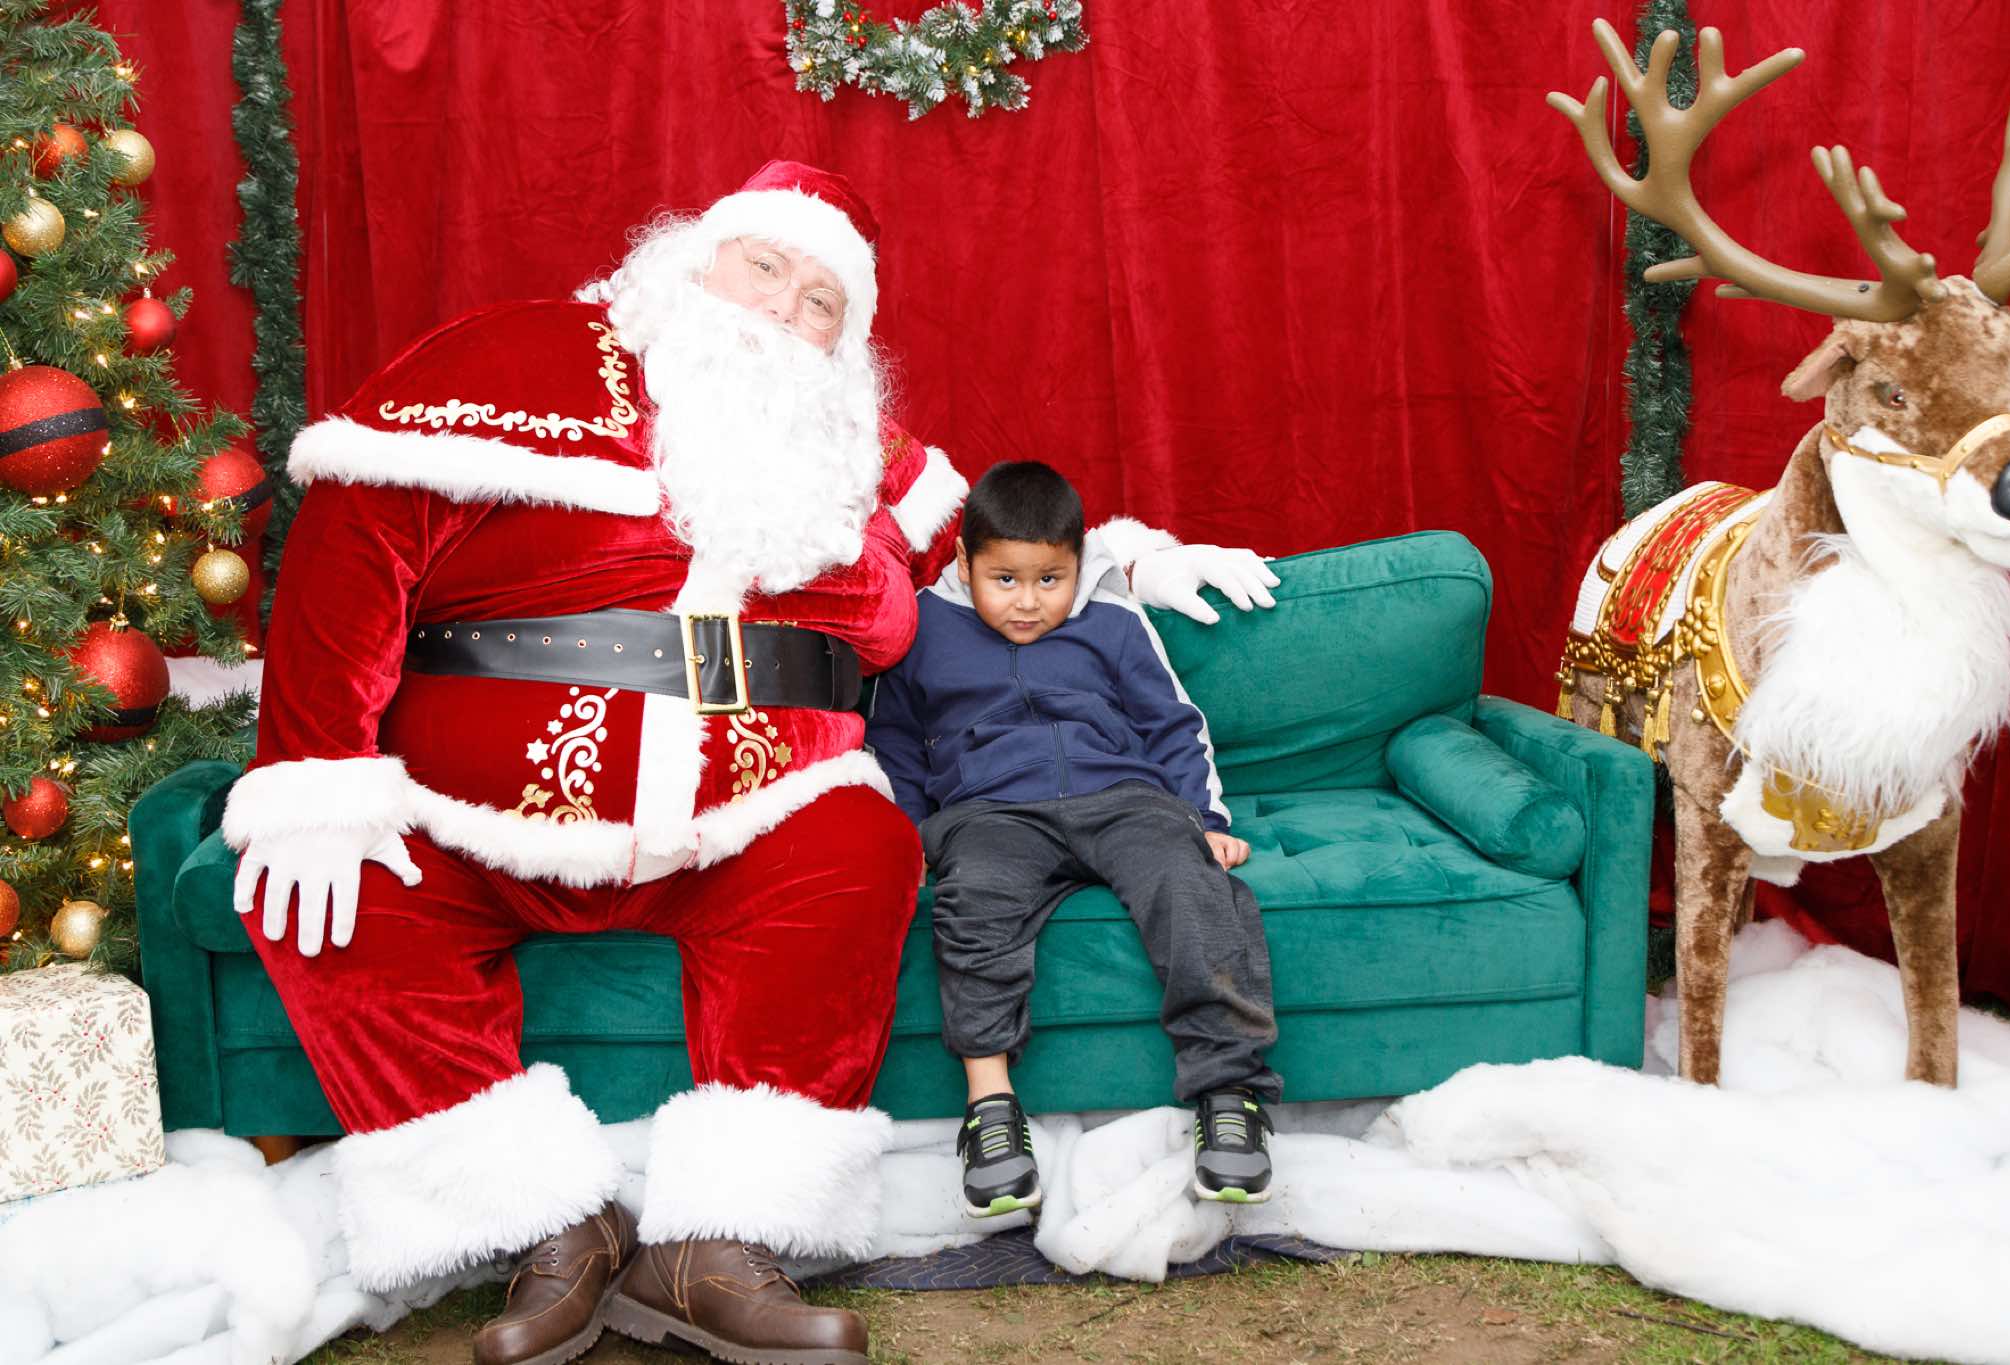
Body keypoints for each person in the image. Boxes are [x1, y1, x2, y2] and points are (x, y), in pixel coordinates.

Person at [221, 161, 1280, 1365]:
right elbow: (350, 544)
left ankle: (717, 1245)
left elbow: (999, 552)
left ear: (846, 340)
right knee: (335, 894)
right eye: (764, 266)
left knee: (860, 847)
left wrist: (1135, 565)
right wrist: (313, 767)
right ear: (691, 259)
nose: (783, 307)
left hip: (758, 809)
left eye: (822, 300)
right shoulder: (509, 358)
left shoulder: (856, 448)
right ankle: (545, 1228)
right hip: (471, 808)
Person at [868, 461, 1283, 1218]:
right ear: (965, 561)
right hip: (990, 812)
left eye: (1050, 580)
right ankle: (991, 1108)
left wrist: (1207, 821)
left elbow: (1173, 725)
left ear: (1078, 561)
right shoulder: (923, 630)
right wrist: (913, 838)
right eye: (1005, 580)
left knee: (1193, 886)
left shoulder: (1115, 621)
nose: (1028, 602)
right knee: (973, 902)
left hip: (1123, 799)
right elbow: (894, 744)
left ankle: (1230, 1093)